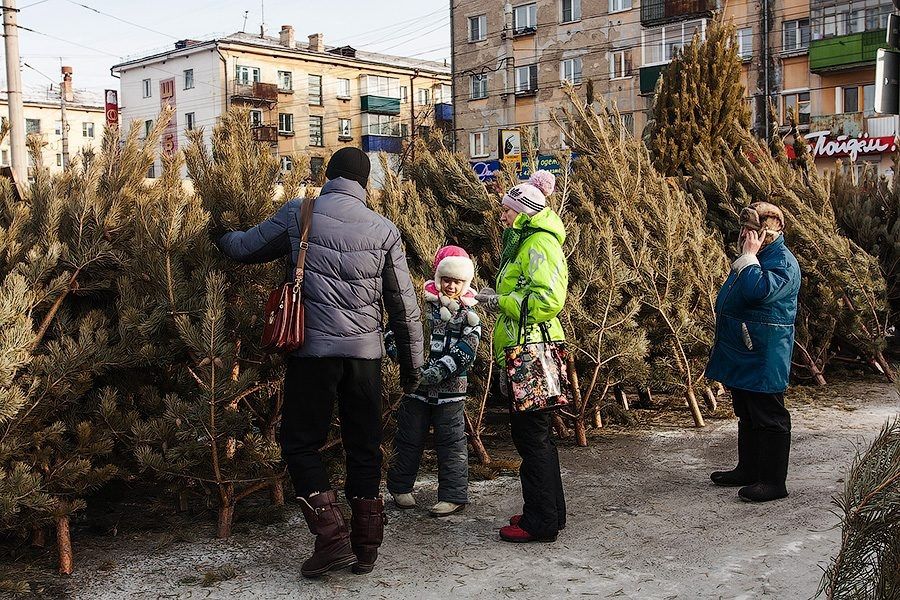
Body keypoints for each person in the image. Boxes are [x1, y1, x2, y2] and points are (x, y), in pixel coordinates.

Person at [216, 147, 424, 577]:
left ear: (328, 175)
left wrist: (218, 232)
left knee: (299, 442)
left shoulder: (300, 213)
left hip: (313, 352)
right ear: (365, 184)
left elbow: (244, 248)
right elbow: (404, 305)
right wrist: (412, 364)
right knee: (364, 446)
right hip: (365, 356)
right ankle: (365, 548)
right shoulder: (384, 230)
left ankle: (331, 538)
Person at [475, 170, 569, 543]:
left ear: (524, 211)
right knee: (537, 439)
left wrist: (500, 302)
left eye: (506, 210)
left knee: (531, 440)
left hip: (531, 351)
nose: (501, 216)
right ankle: (549, 512)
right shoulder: (527, 241)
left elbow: (547, 299)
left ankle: (540, 522)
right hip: (523, 347)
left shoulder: (538, 244)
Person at [705, 201, 801, 503]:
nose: (745, 235)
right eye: (744, 229)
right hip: (746, 349)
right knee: (746, 412)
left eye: (752, 230)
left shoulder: (782, 262)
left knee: (769, 415)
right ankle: (748, 470)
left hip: (764, 352)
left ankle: (773, 482)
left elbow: (758, 291)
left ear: (767, 232)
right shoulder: (759, 256)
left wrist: (748, 258)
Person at [386, 245, 482, 517]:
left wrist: (437, 371)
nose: (451, 286)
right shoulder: (419, 305)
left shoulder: (469, 314)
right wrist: (408, 364)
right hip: (415, 389)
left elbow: (467, 350)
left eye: (458, 281)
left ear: (466, 283)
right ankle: (400, 486)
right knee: (408, 437)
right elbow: (394, 333)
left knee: (451, 443)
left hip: (451, 392)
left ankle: (453, 495)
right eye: (447, 280)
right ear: (439, 279)